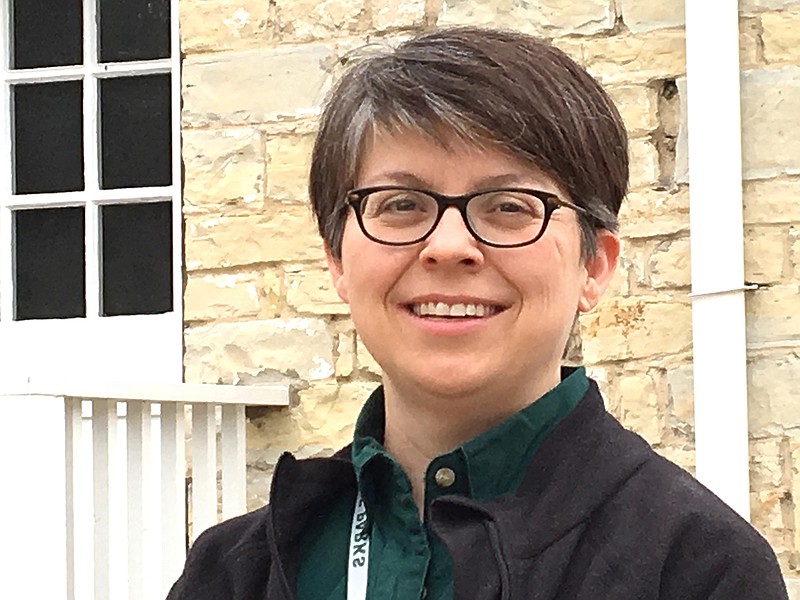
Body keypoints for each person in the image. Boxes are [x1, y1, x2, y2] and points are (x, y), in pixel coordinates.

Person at [167, 27, 787, 600]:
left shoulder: (696, 567)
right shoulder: (236, 572)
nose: (449, 246)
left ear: (593, 265)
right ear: (337, 259)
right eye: (401, 204)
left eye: (509, 207)